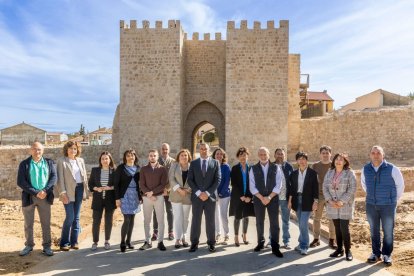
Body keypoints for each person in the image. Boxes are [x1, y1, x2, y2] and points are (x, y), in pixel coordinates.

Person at [361, 146, 404, 266]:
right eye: (373, 153)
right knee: (374, 231)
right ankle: (375, 253)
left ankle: (386, 254)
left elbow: (400, 186)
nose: (375, 155)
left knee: (388, 231)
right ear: (370, 155)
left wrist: (392, 200)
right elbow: (365, 186)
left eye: (378, 153)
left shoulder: (392, 169)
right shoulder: (365, 169)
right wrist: (373, 197)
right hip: (371, 205)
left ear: (383, 155)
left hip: (388, 206)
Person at [17, 142, 57, 257]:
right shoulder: (24, 164)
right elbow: (21, 181)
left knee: (46, 223)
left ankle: (47, 247)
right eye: (34, 149)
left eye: (39, 149)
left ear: (43, 151)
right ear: (30, 150)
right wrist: (35, 192)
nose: (37, 151)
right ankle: (29, 245)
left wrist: (45, 191)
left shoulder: (49, 163)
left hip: (45, 197)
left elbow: (54, 178)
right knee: (28, 224)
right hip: (29, 198)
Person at [249, 147, 283, 258]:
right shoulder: (253, 168)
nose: (263, 156)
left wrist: (269, 197)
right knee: (259, 221)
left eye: (265, 154)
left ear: (269, 155)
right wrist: (261, 197)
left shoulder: (276, 167)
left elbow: (279, 184)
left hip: (272, 198)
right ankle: (260, 243)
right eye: (261, 154)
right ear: (258, 155)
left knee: (274, 223)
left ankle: (275, 246)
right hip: (259, 199)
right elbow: (252, 186)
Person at [188, 143, 221, 253]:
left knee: (210, 221)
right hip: (197, 198)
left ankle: (211, 243)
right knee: (196, 221)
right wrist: (198, 192)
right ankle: (194, 243)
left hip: (209, 197)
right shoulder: (193, 163)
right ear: (199, 150)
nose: (203, 151)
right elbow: (190, 180)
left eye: (205, 149)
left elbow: (217, 180)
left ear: (209, 150)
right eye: (201, 149)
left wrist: (207, 193)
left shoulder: (215, 163)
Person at [323, 153, 357, 261]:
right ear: (333, 161)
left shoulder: (350, 173)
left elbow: (352, 188)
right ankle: (339, 249)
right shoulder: (329, 172)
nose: (338, 161)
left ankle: (348, 251)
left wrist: (342, 201)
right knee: (337, 228)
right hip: (332, 205)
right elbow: (324, 187)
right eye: (336, 159)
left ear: (345, 162)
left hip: (345, 205)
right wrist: (329, 200)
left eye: (341, 160)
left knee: (344, 228)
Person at [56, 141, 88, 251]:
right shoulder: (61, 161)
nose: (73, 150)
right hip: (67, 191)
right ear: (66, 149)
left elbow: (84, 177)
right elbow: (59, 179)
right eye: (70, 148)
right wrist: (63, 193)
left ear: (77, 150)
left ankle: (74, 242)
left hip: (79, 189)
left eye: (75, 148)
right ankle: (64, 242)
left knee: (77, 217)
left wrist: (85, 191)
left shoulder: (80, 161)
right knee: (70, 217)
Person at [288, 152, 318, 255]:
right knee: (300, 223)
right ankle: (301, 243)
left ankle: (304, 246)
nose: (302, 161)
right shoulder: (294, 173)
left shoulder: (312, 173)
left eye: (304, 159)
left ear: (307, 160)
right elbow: (292, 189)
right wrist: (290, 201)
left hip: (308, 201)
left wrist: (316, 201)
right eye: (299, 159)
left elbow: (315, 189)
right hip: (297, 200)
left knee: (303, 223)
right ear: (297, 161)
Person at [139, 149, 168, 251]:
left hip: (159, 197)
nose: (152, 157)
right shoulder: (143, 169)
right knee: (147, 220)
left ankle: (160, 242)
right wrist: (149, 194)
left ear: (157, 157)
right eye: (150, 155)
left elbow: (163, 184)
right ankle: (147, 241)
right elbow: (141, 184)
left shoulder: (162, 169)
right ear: (148, 157)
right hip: (147, 198)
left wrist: (153, 193)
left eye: (154, 155)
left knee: (161, 220)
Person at [114, 149, 141, 252]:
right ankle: (122, 242)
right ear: (125, 157)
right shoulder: (121, 168)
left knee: (132, 219)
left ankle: (129, 241)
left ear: (135, 157)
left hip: (135, 195)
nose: (131, 157)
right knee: (127, 219)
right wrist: (117, 198)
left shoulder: (138, 168)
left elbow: (140, 183)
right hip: (124, 196)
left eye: (132, 155)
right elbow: (116, 184)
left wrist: (140, 197)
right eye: (128, 156)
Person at [88, 151, 117, 251]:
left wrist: (110, 188)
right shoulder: (95, 170)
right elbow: (90, 184)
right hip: (97, 200)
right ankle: (95, 242)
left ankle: (107, 241)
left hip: (110, 200)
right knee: (96, 221)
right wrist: (96, 188)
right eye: (103, 159)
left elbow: (117, 186)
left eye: (106, 159)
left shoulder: (114, 171)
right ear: (100, 160)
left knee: (108, 221)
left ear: (110, 160)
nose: (105, 160)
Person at [310, 145, 337, 249]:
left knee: (332, 218)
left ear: (330, 154)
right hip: (319, 196)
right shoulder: (315, 166)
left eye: (327, 153)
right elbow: (313, 182)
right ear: (320, 154)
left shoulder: (334, 165)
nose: (325, 155)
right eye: (323, 153)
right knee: (317, 218)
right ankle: (316, 239)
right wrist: (314, 198)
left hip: (331, 196)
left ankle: (332, 240)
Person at [229, 147, 255, 247]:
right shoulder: (235, 169)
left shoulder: (251, 169)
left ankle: (244, 235)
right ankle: (236, 236)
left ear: (247, 156)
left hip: (248, 197)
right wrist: (241, 196)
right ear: (238, 157)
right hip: (238, 197)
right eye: (241, 155)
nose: (243, 157)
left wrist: (250, 197)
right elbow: (234, 184)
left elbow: (253, 184)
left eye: (244, 155)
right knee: (237, 217)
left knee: (246, 217)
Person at [168, 149, 192, 248]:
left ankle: (184, 237)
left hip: (188, 195)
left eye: (185, 155)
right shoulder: (174, 165)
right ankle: (178, 238)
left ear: (188, 157)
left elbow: (195, 179)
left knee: (185, 218)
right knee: (178, 217)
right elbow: (171, 178)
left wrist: (188, 190)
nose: (184, 157)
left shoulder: (192, 166)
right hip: (176, 195)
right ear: (179, 157)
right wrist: (179, 190)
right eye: (182, 155)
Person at [152, 143, 175, 241]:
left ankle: (171, 232)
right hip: (158, 191)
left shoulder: (173, 162)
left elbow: (173, 177)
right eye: (163, 149)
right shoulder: (156, 162)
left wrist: (167, 189)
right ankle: (155, 232)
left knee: (169, 211)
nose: (164, 151)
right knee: (156, 212)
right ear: (160, 150)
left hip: (169, 192)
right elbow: (154, 177)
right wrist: (160, 189)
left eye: (166, 149)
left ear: (168, 150)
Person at [273, 148, 294, 249]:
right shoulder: (271, 166)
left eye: (282, 154)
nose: (280, 156)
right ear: (274, 155)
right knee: (273, 220)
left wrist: (291, 198)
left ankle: (286, 241)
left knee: (286, 221)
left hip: (285, 198)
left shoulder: (289, 166)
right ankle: (272, 240)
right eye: (278, 154)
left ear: (284, 155)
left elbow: (292, 182)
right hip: (273, 198)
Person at [212, 147, 231, 245]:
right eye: (217, 154)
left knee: (223, 215)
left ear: (223, 156)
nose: (218, 155)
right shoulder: (211, 166)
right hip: (213, 194)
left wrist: (220, 193)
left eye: (220, 154)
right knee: (216, 215)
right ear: (214, 155)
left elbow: (227, 181)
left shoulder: (226, 167)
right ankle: (218, 234)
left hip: (224, 194)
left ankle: (226, 234)